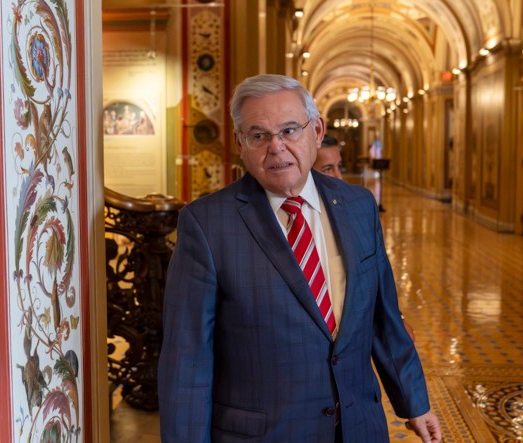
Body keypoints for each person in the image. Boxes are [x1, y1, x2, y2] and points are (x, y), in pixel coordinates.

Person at [158, 74, 442, 443]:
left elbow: (382, 319)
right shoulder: (208, 223)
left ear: (317, 130)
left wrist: (414, 403)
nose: (276, 147)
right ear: (239, 144)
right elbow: (187, 359)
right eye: (258, 135)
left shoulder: (358, 206)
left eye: (290, 130)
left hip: (359, 428)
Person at [313, 135, 416, 341]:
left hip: (355, 336)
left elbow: (373, 274)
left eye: (339, 167)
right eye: (327, 169)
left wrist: (396, 317)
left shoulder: (356, 208)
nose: (338, 176)